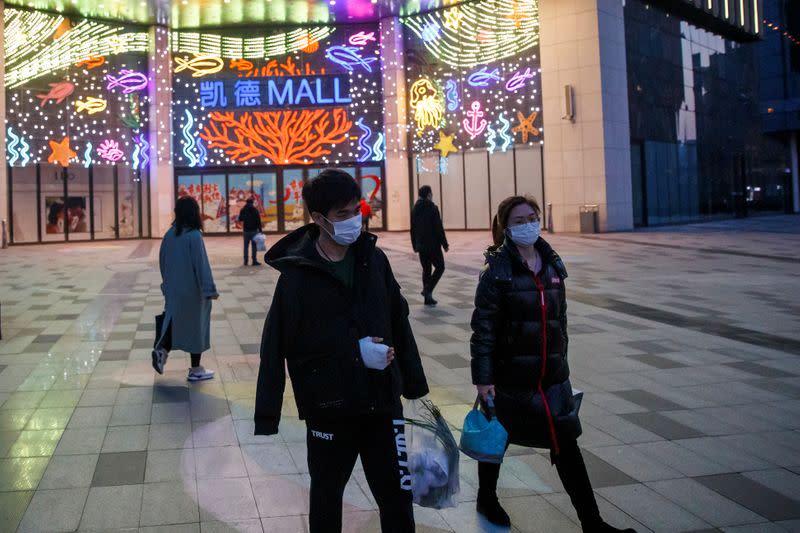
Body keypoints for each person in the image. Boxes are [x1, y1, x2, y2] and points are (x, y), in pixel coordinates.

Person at [254, 169, 429, 533]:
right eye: (343, 215)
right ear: (318, 219)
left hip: (382, 402)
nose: (354, 220)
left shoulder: (374, 260)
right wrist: (267, 414)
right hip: (329, 408)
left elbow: (399, 320)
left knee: (397, 498)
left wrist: (412, 381)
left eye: (356, 210)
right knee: (327, 497)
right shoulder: (297, 277)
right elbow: (276, 347)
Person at [470, 196, 635, 533]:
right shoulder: (496, 275)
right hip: (511, 379)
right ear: (505, 227)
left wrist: (561, 365)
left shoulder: (552, 265)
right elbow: (483, 330)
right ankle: (487, 498)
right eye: (519, 220)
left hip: (552, 379)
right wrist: (483, 379)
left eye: (532, 217)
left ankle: (592, 522)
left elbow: (559, 322)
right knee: (495, 440)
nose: (528, 224)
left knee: (567, 445)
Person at [153, 196, 218, 382]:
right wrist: (209, 289)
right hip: (193, 291)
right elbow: (201, 264)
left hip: (174, 290)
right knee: (196, 327)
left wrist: (166, 285)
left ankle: (161, 351)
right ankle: (196, 369)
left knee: (173, 323)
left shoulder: (170, 234)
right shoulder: (194, 235)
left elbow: (162, 262)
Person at [410, 186, 448, 306]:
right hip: (433, 245)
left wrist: (415, 245)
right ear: (428, 194)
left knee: (426, 269)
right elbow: (438, 228)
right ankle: (428, 289)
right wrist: (444, 244)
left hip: (421, 245)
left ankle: (427, 298)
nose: (432, 195)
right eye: (431, 193)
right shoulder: (432, 208)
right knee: (440, 267)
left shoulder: (415, 209)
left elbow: (412, 229)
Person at [238, 197, 262, 266]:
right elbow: (258, 221)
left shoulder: (243, 210)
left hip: (246, 231)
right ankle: (254, 261)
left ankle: (245, 261)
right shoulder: (255, 210)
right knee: (254, 246)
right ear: (252, 202)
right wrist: (260, 230)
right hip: (254, 231)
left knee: (246, 246)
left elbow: (240, 219)